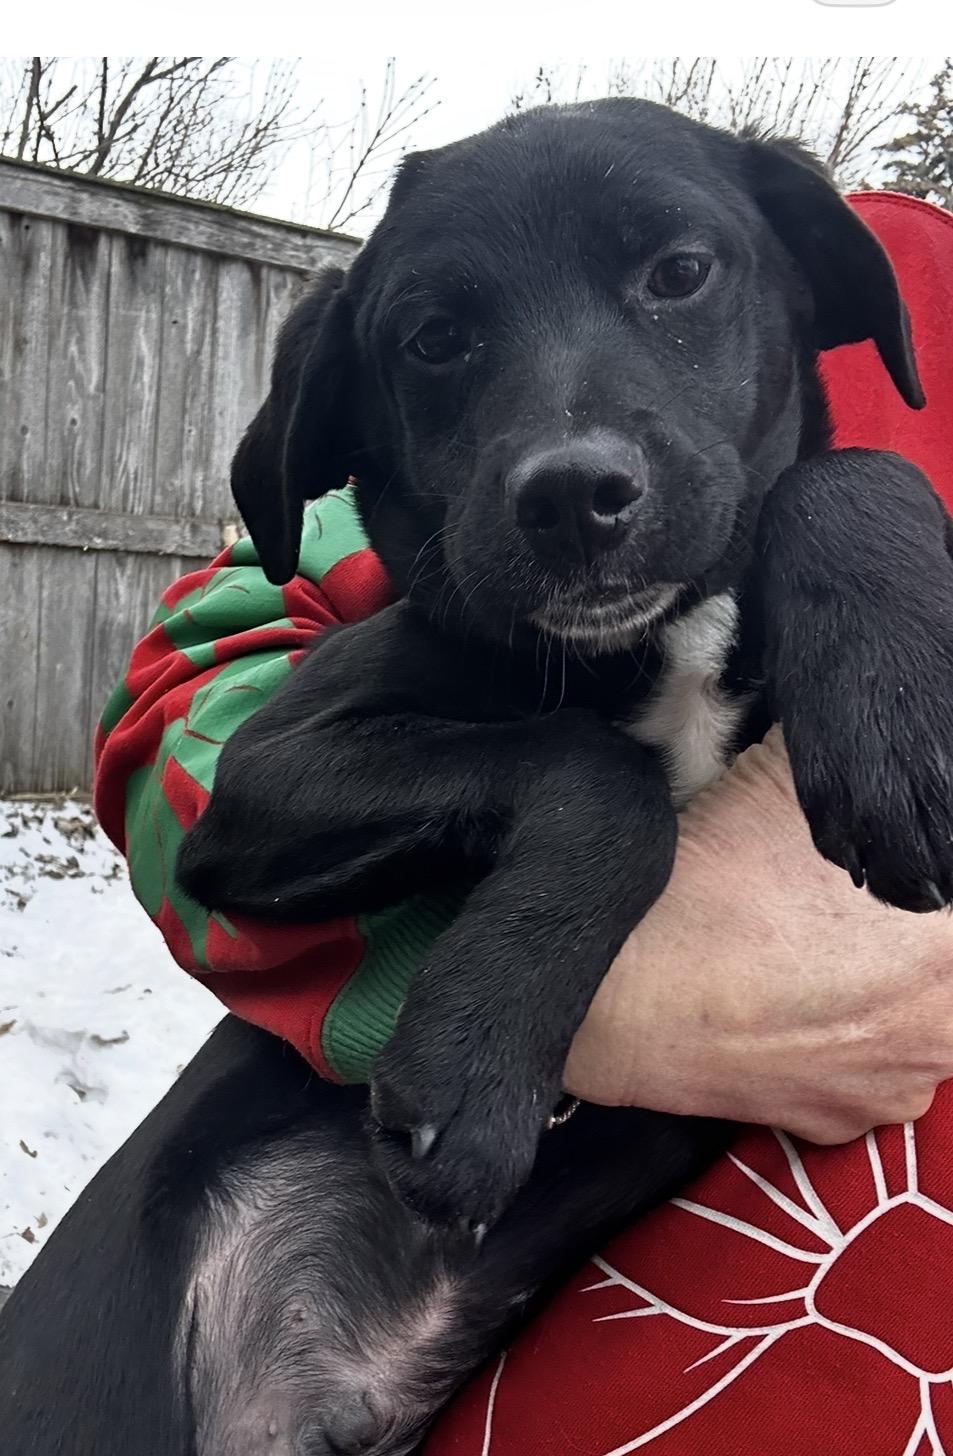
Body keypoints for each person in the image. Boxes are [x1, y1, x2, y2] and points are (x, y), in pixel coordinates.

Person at [94, 190, 953, 1453]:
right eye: (443, 343)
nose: (575, 442)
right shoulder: (418, 566)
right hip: (213, 1317)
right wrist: (602, 943)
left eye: (672, 276)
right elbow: (198, 753)